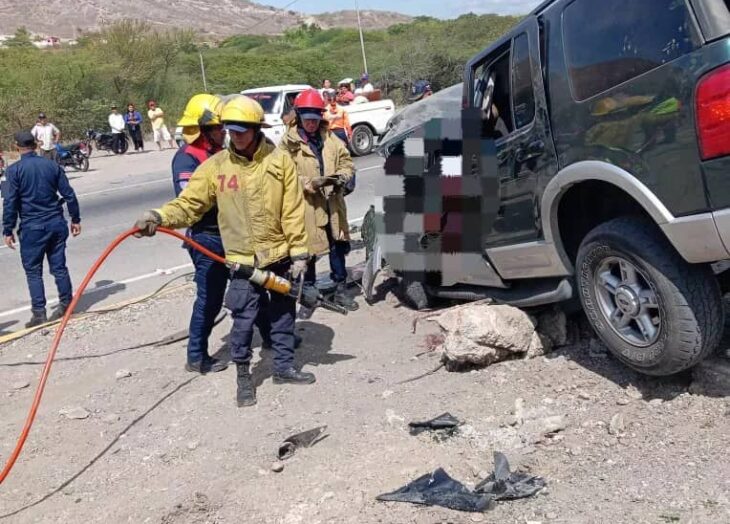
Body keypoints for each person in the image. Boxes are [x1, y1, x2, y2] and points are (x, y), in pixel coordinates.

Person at [134, 95, 314, 408]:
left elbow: (293, 211)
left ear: (257, 129)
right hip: (242, 261)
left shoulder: (279, 161)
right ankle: (244, 378)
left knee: (283, 314)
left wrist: (299, 253)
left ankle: (284, 367)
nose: (237, 136)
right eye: (232, 131)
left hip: (278, 255)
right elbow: (189, 204)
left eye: (243, 130)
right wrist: (158, 217)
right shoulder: (216, 167)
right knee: (243, 320)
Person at [278, 89, 358, 312]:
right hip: (307, 206)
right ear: (299, 116)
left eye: (315, 119)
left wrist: (342, 176)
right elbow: (282, 175)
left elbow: (346, 161)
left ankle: (340, 289)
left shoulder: (330, 138)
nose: (312, 123)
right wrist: (308, 183)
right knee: (309, 251)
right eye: (307, 119)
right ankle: (309, 295)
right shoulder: (288, 144)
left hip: (332, 203)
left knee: (337, 245)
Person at [2, 132, 81, 328]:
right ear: (36, 145)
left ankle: (39, 313)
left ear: (17, 147)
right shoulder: (51, 165)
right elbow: (69, 194)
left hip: (32, 227)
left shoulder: (14, 171)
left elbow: (10, 202)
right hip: (55, 222)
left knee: (33, 271)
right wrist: (75, 219)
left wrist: (8, 229)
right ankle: (67, 304)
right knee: (59, 267)